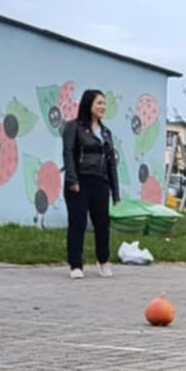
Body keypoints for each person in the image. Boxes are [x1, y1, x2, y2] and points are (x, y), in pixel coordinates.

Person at [62, 89, 119, 279]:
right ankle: (76, 265)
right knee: (77, 222)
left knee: (102, 223)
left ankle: (103, 261)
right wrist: (72, 179)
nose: (103, 107)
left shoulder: (106, 132)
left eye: (104, 103)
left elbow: (111, 162)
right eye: (99, 103)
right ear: (89, 105)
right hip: (79, 181)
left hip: (100, 182)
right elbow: (68, 153)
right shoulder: (74, 127)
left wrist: (115, 192)